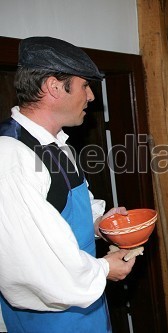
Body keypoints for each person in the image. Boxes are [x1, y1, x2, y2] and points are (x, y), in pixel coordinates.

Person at [0, 36, 136, 333]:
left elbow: (71, 207)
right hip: (49, 317)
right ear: (53, 86)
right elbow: (36, 264)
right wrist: (105, 269)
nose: (90, 96)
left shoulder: (58, 146)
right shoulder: (10, 157)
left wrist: (101, 222)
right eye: (85, 85)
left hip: (85, 303)